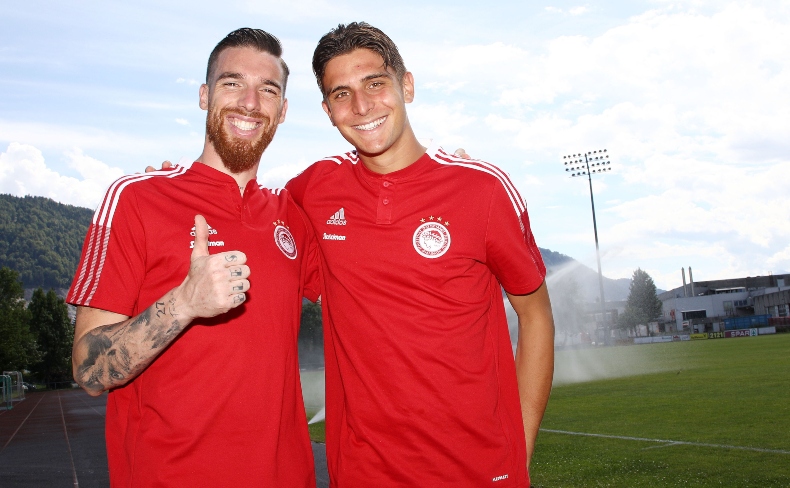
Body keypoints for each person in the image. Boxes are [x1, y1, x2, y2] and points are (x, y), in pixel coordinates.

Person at [284, 22, 555, 488]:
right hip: (363, 476)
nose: (362, 106)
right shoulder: (313, 190)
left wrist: (520, 447)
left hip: (478, 472)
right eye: (342, 94)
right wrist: (169, 182)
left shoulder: (483, 189)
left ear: (406, 85)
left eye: (375, 83)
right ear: (328, 111)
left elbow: (536, 316)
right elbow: (241, 216)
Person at [68, 28, 320, 487]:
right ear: (204, 96)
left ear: (282, 111)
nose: (249, 102)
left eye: (267, 90)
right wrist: (183, 303)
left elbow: (376, 287)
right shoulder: (137, 198)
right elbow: (88, 370)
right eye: (232, 83)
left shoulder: (293, 218)